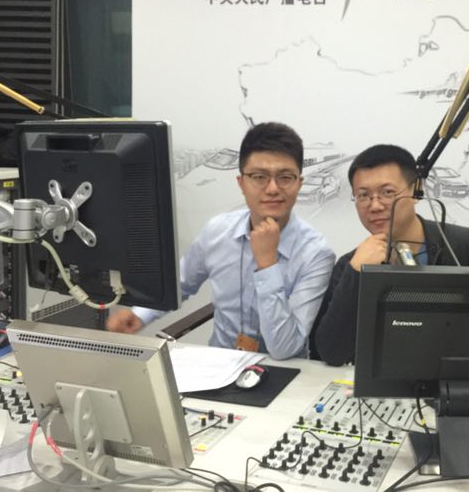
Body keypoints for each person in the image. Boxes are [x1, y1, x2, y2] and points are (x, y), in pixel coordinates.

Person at [107, 122, 335, 360]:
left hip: (285, 371)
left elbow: (284, 349)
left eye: (285, 177)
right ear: (241, 183)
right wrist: (140, 315)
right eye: (259, 177)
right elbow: (180, 283)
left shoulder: (316, 253)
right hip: (220, 364)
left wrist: (267, 264)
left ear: (299, 183)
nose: (272, 188)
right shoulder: (217, 232)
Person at [311, 144, 469, 366]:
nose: (375, 205)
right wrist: (356, 274)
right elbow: (330, 352)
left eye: (388, 192)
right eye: (363, 195)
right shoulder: (351, 265)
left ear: (416, 191)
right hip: (382, 381)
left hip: (455, 378)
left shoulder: (467, 246)